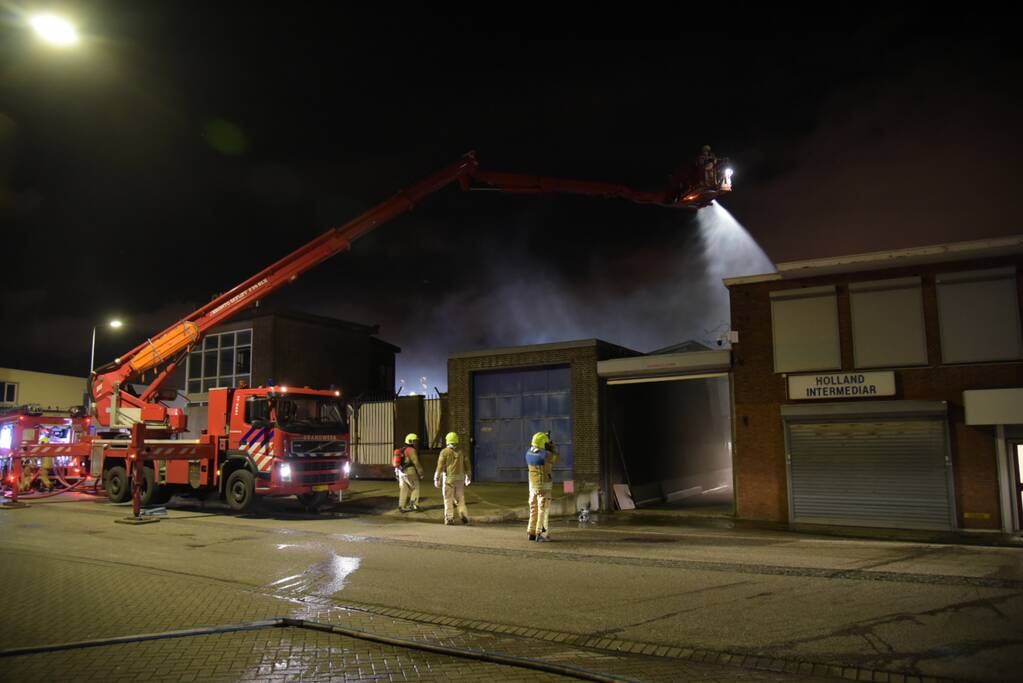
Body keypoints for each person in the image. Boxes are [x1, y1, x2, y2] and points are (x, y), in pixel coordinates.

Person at [525, 432, 559, 542]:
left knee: (533, 509)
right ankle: (541, 533)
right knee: (542, 510)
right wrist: (552, 448)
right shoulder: (545, 455)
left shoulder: (528, 453)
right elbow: (556, 459)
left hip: (533, 487)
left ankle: (531, 532)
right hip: (544, 487)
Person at [434, 431, 471, 525]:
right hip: (460, 479)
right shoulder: (462, 451)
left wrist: (436, 478)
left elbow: (440, 466)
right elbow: (467, 464)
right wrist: (468, 476)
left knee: (448, 499)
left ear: (447, 441)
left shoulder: (444, 452)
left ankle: (449, 518)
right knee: (460, 499)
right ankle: (464, 515)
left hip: (449, 480)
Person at [393, 433, 424, 512]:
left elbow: (398, 463)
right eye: (415, 441)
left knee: (404, 489)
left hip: (401, 473)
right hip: (410, 472)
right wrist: (421, 472)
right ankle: (414, 505)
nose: (416, 443)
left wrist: (397, 474)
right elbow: (416, 462)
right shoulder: (411, 450)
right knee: (416, 487)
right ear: (411, 441)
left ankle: (401, 506)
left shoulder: (402, 449)